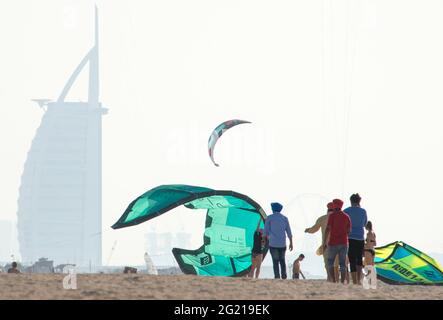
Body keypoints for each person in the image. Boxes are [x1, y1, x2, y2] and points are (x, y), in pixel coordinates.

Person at [305, 202, 339, 281]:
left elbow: (314, 229)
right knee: (336, 264)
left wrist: (308, 230)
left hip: (325, 245)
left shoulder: (322, 218)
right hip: (337, 244)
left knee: (327, 264)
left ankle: (330, 278)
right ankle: (336, 280)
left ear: (327, 209)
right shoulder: (339, 218)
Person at [323, 199, 351, 284]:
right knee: (343, 263)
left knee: (330, 261)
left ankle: (334, 280)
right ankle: (342, 281)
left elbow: (328, 229)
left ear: (335, 206)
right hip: (344, 242)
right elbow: (349, 230)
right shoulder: (346, 216)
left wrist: (324, 241)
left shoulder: (332, 216)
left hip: (333, 242)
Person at [264, 202, 293, 279]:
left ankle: (277, 276)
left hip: (273, 243)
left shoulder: (269, 218)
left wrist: (263, 241)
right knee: (282, 260)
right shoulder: (284, 218)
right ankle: (284, 275)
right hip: (282, 244)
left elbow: (265, 231)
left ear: (273, 209)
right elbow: (289, 232)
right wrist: (291, 243)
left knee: (275, 261)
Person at [343, 193, 368, 285]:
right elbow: (365, 224)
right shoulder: (363, 211)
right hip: (360, 238)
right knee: (359, 259)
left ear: (351, 201)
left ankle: (354, 281)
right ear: (359, 201)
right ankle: (359, 280)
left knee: (351, 259)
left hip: (349, 237)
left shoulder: (346, 211)